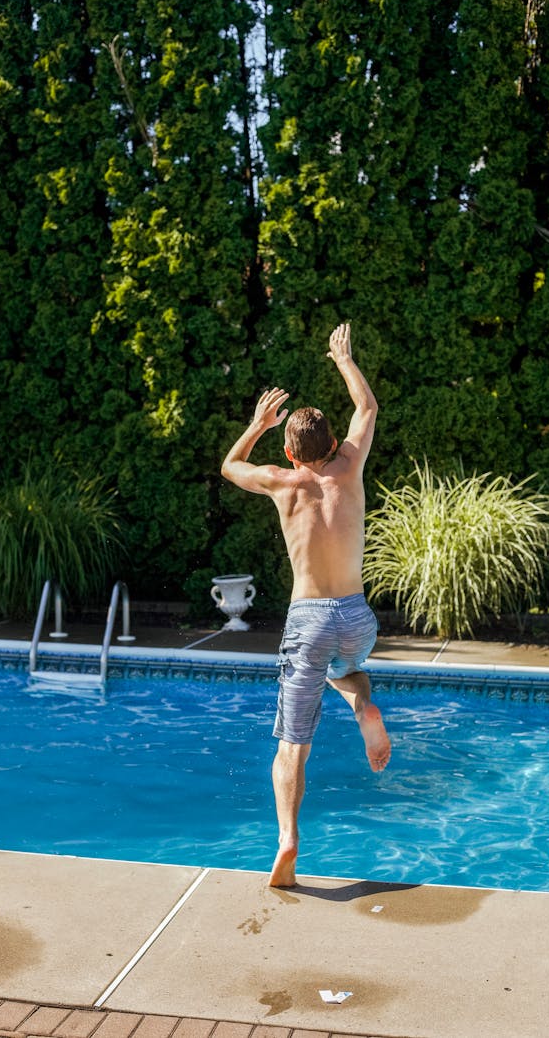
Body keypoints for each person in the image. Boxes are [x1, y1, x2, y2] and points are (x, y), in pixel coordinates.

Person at [221, 322, 391, 887]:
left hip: (310, 620)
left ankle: (289, 839)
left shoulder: (281, 481)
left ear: (291, 452)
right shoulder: (350, 466)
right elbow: (366, 406)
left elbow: (229, 467)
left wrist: (255, 425)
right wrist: (343, 358)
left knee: (293, 743)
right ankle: (365, 709)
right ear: (331, 446)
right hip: (357, 619)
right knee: (350, 672)